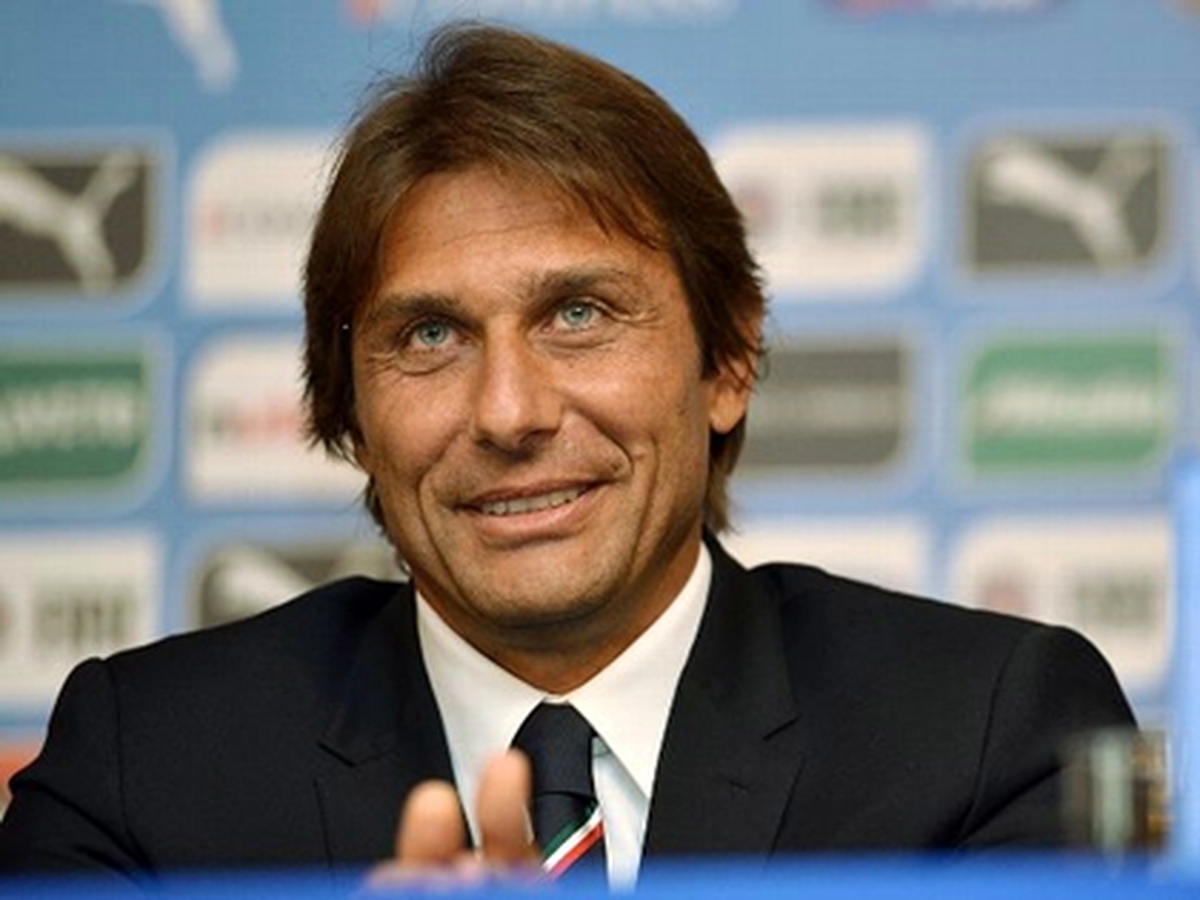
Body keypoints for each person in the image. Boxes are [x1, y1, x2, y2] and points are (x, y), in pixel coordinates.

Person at [0, 22, 1134, 888]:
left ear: (729, 360)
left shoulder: (986, 735)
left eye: (579, 315)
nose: (509, 412)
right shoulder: (145, 765)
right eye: (429, 336)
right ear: (350, 409)